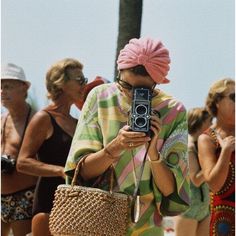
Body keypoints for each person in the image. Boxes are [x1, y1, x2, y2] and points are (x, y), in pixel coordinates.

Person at [65, 37, 190, 235]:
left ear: (157, 82)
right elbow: (81, 172)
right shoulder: (100, 97)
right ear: (119, 71)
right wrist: (115, 147)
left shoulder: (173, 111)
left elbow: (171, 193)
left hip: (146, 227)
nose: (133, 95)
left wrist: (154, 154)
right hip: (96, 221)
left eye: (144, 91)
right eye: (126, 85)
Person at [17, 58, 106, 236]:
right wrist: (61, 171)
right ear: (61, 84)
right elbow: (23, 162)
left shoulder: (78, 122)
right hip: (48, 202)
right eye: (80, 80)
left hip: (75, 205)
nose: (85, 85)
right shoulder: (44, 118)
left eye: (85, 80)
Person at [1, 63, 37, 236]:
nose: (2, 91)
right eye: (0, 87)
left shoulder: (36, 120)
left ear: (24, 88)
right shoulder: (2, 120)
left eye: (7, 86)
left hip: (24, 195)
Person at [198, 78, 235, 236]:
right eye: (234, 97)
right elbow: (215, 185)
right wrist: (226, 151)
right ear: (218, 102)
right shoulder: (208, 139)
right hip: (223, 224)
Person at [174, 107, 212, 236]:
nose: (212, 125)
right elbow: (195, 180)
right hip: (188, 209)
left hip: (203, 208)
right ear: (199, 123)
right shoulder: (188, 147)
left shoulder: (199, 145)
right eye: (209, 122)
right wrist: (213, 162)